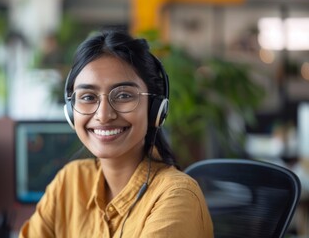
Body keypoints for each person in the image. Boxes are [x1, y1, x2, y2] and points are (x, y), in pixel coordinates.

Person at [19, 29, 213, 238]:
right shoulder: (70, 182)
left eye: (123, 95)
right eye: (88, 97)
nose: (103, 115)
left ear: (155, 108)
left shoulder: (176, 196)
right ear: (71, 111)